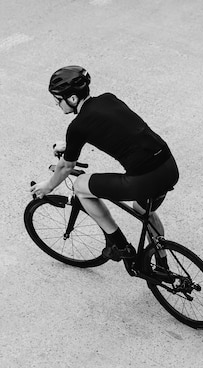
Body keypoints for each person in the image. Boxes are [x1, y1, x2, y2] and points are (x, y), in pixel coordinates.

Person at [29, 66, 179, 264]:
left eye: (58, 100)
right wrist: (70, 145)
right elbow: (116, 129)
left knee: (80, 186)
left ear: (72, 99)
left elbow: (66, 166)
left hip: (144, 179)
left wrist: (48, 186)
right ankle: (161, 261)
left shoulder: (78, 126)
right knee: (144, 211)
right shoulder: (109, 99)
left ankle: (119, 244)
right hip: (168, 167)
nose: (57, 104)